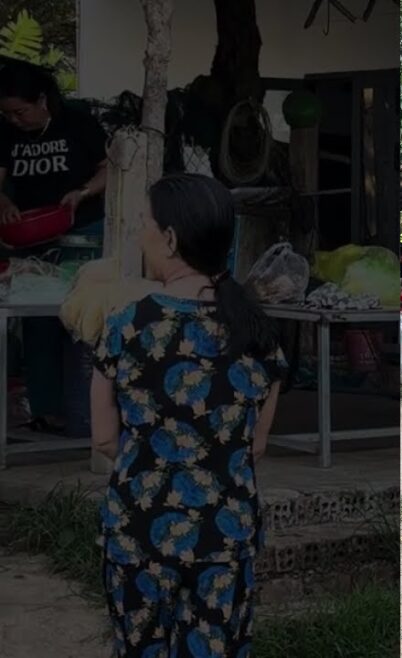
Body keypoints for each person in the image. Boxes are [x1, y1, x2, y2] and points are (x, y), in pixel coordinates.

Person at [90, 174, 287, 657]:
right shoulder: (258, 333)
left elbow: (103, 440)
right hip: (225, 532)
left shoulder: (126, 326)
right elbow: (255, 446)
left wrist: (159, 466)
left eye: (146, 224)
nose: (140, 234)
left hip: (140, 530)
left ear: (172, 239)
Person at [0, 60, 109, 435]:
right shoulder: (7, 132)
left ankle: (86, 417)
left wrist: (83, 192)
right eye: (8, 114)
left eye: (21, 111)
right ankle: (48, 413)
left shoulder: (77, 123)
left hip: (83, 233)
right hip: (32, 239)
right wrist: (3, 202)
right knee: (38, 323)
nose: (15, 120)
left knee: (79, 322)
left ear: (42, 99)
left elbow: (109, 168)